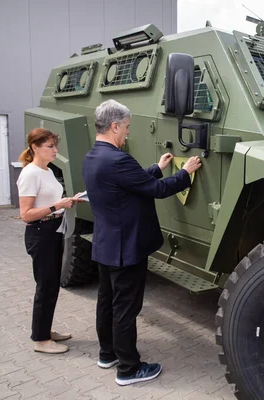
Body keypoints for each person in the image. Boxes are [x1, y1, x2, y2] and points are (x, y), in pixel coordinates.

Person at [82, 99, 202, 386]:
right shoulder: (118, 159)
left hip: (106, 244)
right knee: (126, 308)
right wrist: (187, 173)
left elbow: (130, 185)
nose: (127, 133)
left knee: (107, 303)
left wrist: (157, 167)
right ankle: (128, 368)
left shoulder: (94, 156)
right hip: (127, 249)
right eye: (126, 127)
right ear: (114, 126)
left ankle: (107, 353)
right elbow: (158, 191)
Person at [16, 128, 83, 354]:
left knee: (52, 284)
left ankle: (45, 330)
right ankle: (41, 340)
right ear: (35, 147)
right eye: (50, 146)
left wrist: (69, 201)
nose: (55, 150)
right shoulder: (30, 173)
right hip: (40, 232)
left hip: (52, 228)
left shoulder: (46, 171)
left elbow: (51, 200)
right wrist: (57, 206)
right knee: (45, 286)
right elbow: (25, 214)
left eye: (55, 145)